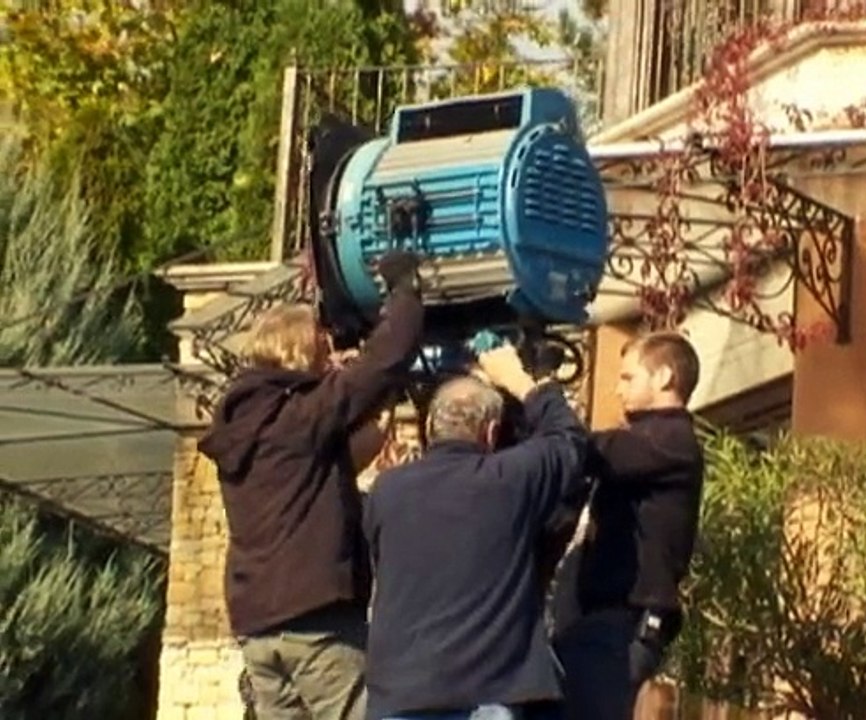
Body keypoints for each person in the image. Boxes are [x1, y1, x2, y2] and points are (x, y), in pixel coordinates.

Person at [198, 250, 427, 720]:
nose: (330, 361)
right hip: (315, 621)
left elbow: (320, 469)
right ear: (300, 354)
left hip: (259, 627)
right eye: (323, 352)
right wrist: (405, 292)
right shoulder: (299, 417)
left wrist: (376, 413)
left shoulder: (248, 424)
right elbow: (384, 359)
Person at [362, 345, 588, 720]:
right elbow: (569, 440)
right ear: (492, 431)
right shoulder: (509, 480)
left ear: (431, 427)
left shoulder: (388, 491)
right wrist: (524, 382)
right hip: (488, 689)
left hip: (400, 692)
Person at [553, 331, 705, 720]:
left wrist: (537, 394)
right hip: (595, 622)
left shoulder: (672, 441)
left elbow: (588, 450)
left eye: (628, 378)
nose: (618, 390)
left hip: (620, 621)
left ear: (664, 377)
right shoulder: (645, 441)